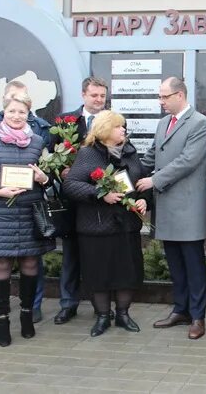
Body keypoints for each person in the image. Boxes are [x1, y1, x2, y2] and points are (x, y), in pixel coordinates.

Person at [0, 93, 54, 347]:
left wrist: (44, 179)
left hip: (29, 213)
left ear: (29, 115)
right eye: (12, 112)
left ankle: (27, 315)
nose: (17, 117)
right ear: (3, 114)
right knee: (2, 265)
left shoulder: (38, 141)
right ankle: (3, 320)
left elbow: (51, 178)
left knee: (30, 263)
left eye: (22, 112)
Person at [62, 110, 150, 337]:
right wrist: (100, 195)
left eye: (123, 127)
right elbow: (70, 186)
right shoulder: (88, 153)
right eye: (119, 126)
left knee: (126, 272)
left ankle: (123, 314)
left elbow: (140, 182)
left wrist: (143, 200)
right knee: (98, 273)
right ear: (105, 130)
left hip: (126, 226)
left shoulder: (130, 152)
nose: (124, 130)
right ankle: (102, 316)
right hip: (96, 227)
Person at [137, 77, 206, 340]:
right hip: (167, 207)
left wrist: (154, 180)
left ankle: (198, 316)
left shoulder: (200, 123)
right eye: (160, 97)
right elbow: (151, 156)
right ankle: (180, 310)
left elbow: (188, 161)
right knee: (175, 264)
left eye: (164, 97)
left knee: (194, 264)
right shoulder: (162, 123)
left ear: (179, 95)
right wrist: (125, 170)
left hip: (187, 208)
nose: (161, 102)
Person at [53, 76, 108, 326]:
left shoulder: (113, 121)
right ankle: (68, 304)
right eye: (94, 95)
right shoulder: (65, 121)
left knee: (98, 256)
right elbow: (52, 156)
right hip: (73, 200)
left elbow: (119, 155)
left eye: (102, 96)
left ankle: (102, 308)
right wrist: (61, 172)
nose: (98, 100)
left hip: (100, 201)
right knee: (71, 254)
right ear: (83, 95)